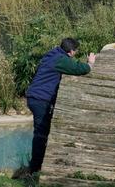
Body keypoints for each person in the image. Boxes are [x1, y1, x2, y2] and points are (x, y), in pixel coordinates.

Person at [14, 38, 96, 179]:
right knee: (40, 134)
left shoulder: (52, 54)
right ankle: (35, 170)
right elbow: (77, 68)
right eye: (76, 52)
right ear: (71, 52)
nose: (75, 54)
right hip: (41, 100)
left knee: (43, 131)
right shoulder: (61, 59)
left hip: (34, 97)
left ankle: (36, 166)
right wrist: (90, 64)